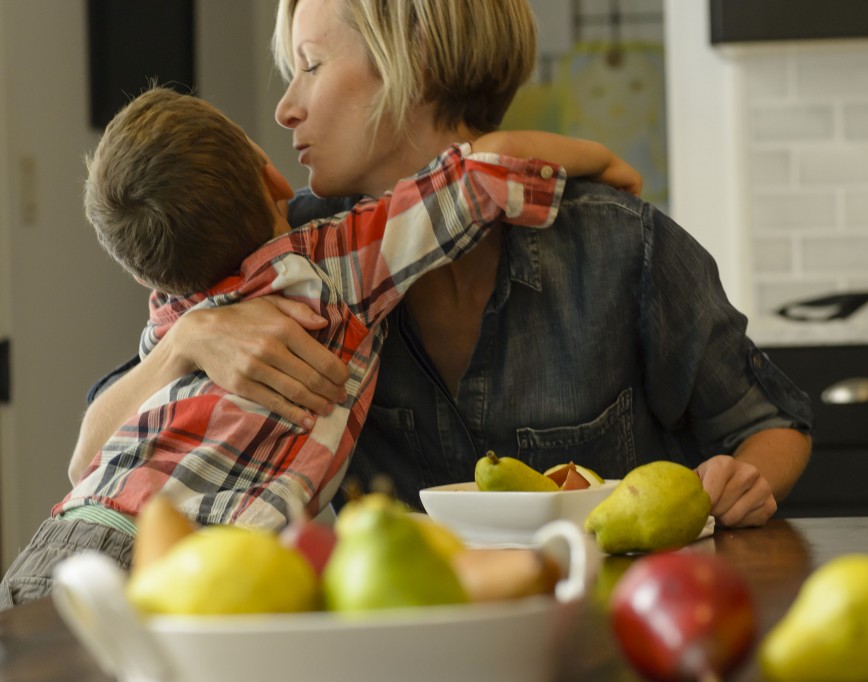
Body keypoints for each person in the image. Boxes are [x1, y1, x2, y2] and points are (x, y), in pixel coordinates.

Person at [78, 0, 814, 534]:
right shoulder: (285, 262)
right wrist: (189, 341)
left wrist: (744, 479)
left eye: (310, 66)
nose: (285, 108)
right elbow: (89, 452)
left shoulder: (619, 244)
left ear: (415, 60)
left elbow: (773, 424)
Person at [1, 86, 635, 609]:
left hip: (59, 544)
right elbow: (480, 172)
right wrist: (602, 162)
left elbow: (87, 463)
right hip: (197, 567)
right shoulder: (333, 265)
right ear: (269, 170)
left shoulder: (172, 307)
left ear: (146, 275)